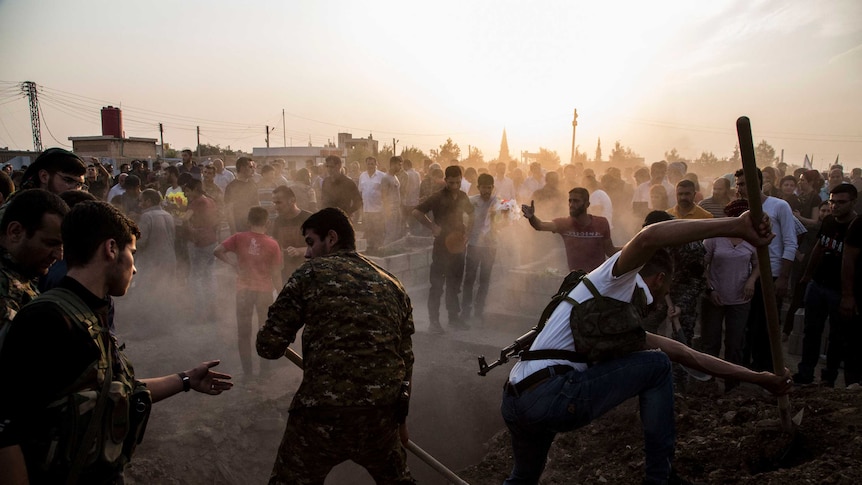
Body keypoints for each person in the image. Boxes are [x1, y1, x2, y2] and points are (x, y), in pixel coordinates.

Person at [500, 211, 792, 485]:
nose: (664, 298)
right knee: (658, 365)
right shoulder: (616, 280)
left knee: (523, 479)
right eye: (667, 289)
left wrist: (761, 378)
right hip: (553, 393)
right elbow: (648, 237)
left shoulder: (616, 319)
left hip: (517, 398)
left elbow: (688, 355)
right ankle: (659, 478)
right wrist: (734, 225)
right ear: (661, 280)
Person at [0, 200, 232, 483]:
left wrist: (185, 380)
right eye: (132, 253)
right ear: (111, 249)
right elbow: (6, 428)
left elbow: (115, 391)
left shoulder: (89, 311)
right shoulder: (47, 319)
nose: (134, 269)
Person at [257, 207, 414, 484]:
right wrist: (400, 422)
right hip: (380, 416)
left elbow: (268, 347)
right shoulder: (393, 285)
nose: (307, 253)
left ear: (331, 238)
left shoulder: (309, 274)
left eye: (310, 242)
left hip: (321, 415)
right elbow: (406, 363)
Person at [735, 168, 800, 371]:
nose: (741, 188)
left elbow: (790, 243)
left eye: (745, 184)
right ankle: (743, 368)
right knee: (744, 324)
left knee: (765, 325)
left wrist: (783, 277)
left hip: (770, 273)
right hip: (742, 274)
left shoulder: (779, 206)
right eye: (738, 184)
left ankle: (765, 369)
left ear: (757, 183)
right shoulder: (738, 210)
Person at [793, 183, 858, 386]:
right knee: (811, 331)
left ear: (853, 202)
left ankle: (828, 378)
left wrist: (849, 295)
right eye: (832, 201)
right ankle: (805, 373)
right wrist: (807, 275)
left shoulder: (856, 226)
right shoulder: (829, 221)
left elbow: (850, 263)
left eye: (841, 202)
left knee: (837, 338)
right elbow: (819, 247)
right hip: (818, 284)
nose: (834, 206)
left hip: (840, 291)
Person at [215, 207, 282, 377]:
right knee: (264, 331)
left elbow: (217, 251)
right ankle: (264, 371)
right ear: (267, 222)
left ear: (248, 222)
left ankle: (248, 372)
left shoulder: (238, 238)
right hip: (264, 291)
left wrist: (233, 264)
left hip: (244, 290)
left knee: (244, 333)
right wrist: (281, 294)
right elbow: (276, 274)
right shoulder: (273, 244)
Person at [700, 199, 759, 391]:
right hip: (715, 297)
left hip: (740, 297)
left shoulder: (752, 239)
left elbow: (759, 265)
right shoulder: (715, 237)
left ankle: (732, 385)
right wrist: (710, 289)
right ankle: (708, 383)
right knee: (711, 341)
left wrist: (751, 280)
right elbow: (702, 266)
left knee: (735, 343)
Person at [0, 190, 69, 341]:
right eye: (51, 244)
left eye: (63, 246)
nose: (59, 256)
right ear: (15, 232)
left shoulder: (22, 272)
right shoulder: (6, 294)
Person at [413, 165, 475, 332]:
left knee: (454, 285)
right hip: (441, 247)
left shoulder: (463, 196)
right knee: (437, 285)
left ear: (461, 180)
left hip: (459, 246)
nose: (455, 185)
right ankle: (434, 322)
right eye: (451, 182)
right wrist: (432, 226)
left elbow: (472, 214)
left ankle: (453, 318)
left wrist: (468, 232)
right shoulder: (437, 197)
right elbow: (417, 212)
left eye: (458, 182)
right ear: (446, 180)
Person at [523, 187, 615, 273]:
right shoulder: (565, 224)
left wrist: (629, 247)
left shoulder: (601, 223)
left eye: (576, 201)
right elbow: (540, 225)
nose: (571, 205)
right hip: (575, 282)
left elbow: (611, 251)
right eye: (570, 201)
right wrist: (532, 217)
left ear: (587, 204)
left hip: (597, 281)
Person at [462, 174, 502, 323]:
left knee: (485, 280)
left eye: (489, 188)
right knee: (469, 279)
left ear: (493, 188)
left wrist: (496, 217)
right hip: (473, 244)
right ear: (478, 187)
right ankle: (465, 310)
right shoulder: (471, 201)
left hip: (490, 246)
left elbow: (503, 224)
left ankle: (479, 310)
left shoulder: (498, 203)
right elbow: (462, 218)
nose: (487, 191)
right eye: (484, 187)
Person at [271, 185, 312, 280]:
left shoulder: (308, 218)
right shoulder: (278, 221)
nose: (276, 207)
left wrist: (300, 251)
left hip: (308, 272)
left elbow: (321, 248)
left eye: (279, 203)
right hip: (286, 274)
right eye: (274, 203)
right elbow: (276, 245)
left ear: (292, 201)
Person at [840, 212, 862, 387]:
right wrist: (848, 295)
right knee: (855, 348)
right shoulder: (860, 223)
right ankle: (852, 389)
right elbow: (848, 260)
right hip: (859, 298)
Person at [18, 148, 87, 193]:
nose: (75, 189)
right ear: (44, 176)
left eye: (79, 184)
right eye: (68, 180)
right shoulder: (19, 209)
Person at [224, 157, 259, 234]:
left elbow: (257, 206)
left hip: (253, 227)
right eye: (250, 167)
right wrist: (233, 230)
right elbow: (229, 210)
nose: (253, 170)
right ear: (242, 168)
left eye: (254, 167)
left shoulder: (252, 184)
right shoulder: (231, 187)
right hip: (239, 228)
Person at [358, 157, 386, 252]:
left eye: (372, 164)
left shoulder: (382, 176)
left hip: (378, 209)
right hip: (366, 209)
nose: (370, 166)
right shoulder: (362, 176)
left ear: (376, 164)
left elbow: (385, 192)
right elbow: (361, 191)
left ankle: (378, 248)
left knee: (378, 230)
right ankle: (369, 247)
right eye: (368, 164)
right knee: (368, 230)